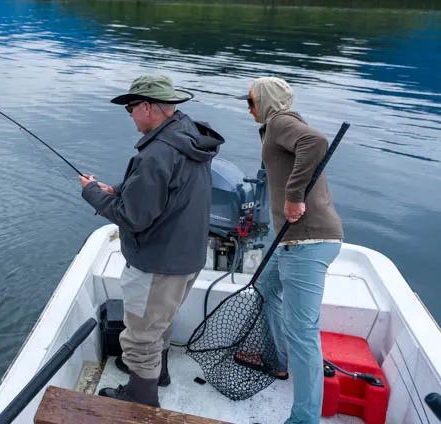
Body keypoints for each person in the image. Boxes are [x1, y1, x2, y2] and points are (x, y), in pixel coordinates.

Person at [80, 74, 224, 407]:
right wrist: (119, 189)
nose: (130, 115)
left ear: (147, 107)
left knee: (140, 336)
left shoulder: (156, 153)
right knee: (160, 321)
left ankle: (141, 399)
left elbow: (133, 217)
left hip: (158, 262)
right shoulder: (188, 136)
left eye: (130, 108)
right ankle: (157, 374)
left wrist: (92, 193)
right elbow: (166, 187)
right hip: (187, 257)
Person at [240, 76, 343, 424]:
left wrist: (294, 196)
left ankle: (304, 419)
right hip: (291, 239)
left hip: (307, 241)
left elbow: (316, 142)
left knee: (303, 333)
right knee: (265, 286)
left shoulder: (281, 121)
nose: (249, 109)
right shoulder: (275, 126)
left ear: (266, 101)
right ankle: (277, 360)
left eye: (252, 102)